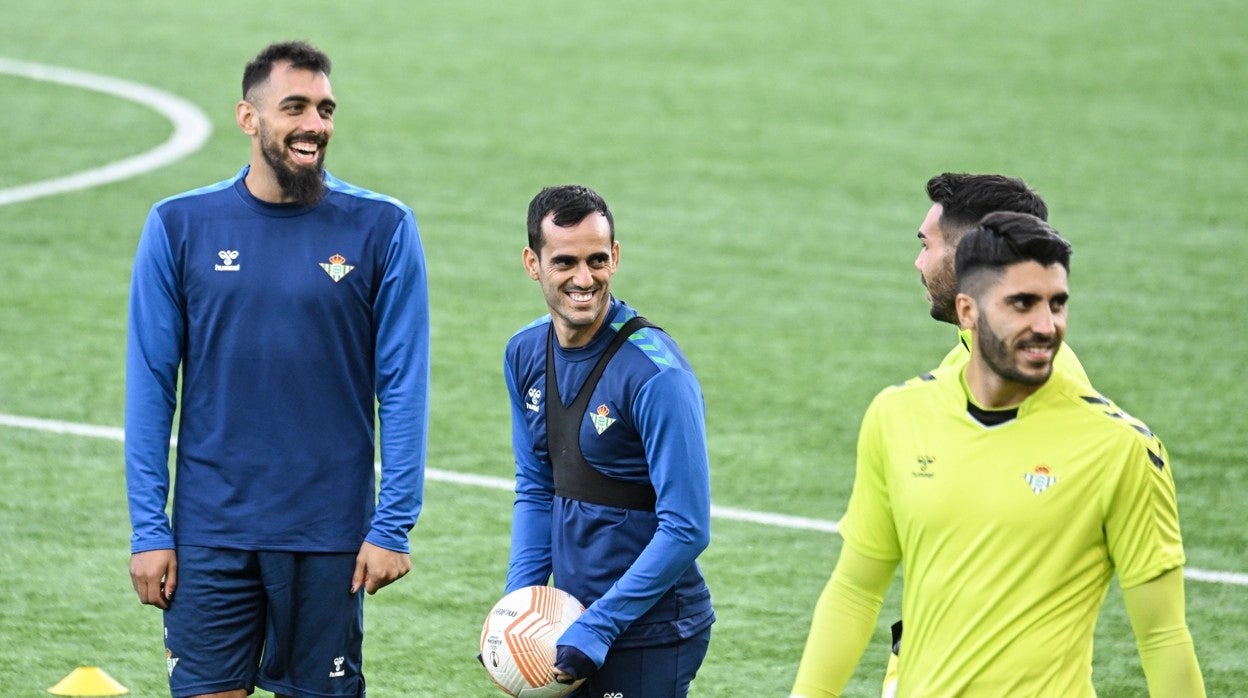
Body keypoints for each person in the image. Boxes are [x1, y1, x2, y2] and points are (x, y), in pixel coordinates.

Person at [125, 40, 430, 698]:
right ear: (248, 117)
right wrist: (151, 528)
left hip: (328, 535)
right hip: (212, 531)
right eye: (295, 107)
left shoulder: (383, 227)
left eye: (325, 109)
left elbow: (403, 386)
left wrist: (393, 522)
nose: (315, 125)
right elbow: (151, 387)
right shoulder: (180, 226)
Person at [790, 212, 1204, 696]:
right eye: (1022, 304)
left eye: (1057, 303)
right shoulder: (897, 415)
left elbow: (1162, 635)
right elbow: (855, 590)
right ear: (967, 312)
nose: (1046, 325)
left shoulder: (1121, 449)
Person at [501, 185, 715, 696]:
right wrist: (518, 609)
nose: (584, 279)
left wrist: (598, 626)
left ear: (615, 257)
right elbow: (536, 487)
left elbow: (687, 527)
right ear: (533, 263)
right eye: (565, 262)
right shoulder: (524, 352)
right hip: (565, 627)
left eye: (598, 260)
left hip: (650, 633)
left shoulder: (656, 376)